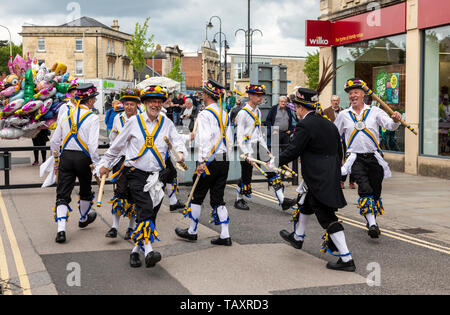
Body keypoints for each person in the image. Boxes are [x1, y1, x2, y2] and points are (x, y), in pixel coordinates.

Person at [98, 85, 186, 268]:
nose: (155, 104)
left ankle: (135, 252)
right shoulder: (133, 122)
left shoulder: (167, 123)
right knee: (145, 208)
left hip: (158, 177)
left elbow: (177, 141)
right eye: (152, 101)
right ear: (145, 103)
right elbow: (116, 147)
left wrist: (180, 153)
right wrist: (105, 165)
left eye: (158, 101)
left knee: (150, 215)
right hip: (135, 175)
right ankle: (150, 251)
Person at [278, 87, 355, 272]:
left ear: (301, 108)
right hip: (327, 174)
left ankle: (347, 258)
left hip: (318, 176)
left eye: (296, 107)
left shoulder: (305, 125)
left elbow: (294, 149)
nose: (296, 111)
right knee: (305, 204)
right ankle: (298, 237)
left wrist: (274, 161)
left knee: (326, 216)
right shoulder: (328, 123)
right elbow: (339, 150)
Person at [334, 78, 402, 239]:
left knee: (376, 190)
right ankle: (372, 224)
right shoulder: (344, 115)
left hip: (374, 157)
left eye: (356, 92)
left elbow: (389, 126)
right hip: (355, 158)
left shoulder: (375, 111)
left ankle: (371, 219)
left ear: (364, 94)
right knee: (364, 189)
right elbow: (334, 134)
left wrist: (396, 120)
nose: (353, 95)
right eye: (350, 93)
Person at [175, 79, 234, 246]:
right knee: (218, 198)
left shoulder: (204, 114)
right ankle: (225, 235)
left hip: (208, 161)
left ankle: (192, 231)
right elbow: (229, 137)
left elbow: (205, 139)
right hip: (223, 159)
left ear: (208, 95)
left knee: (197, 195)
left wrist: (201, 161)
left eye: (203, 93)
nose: (201, 95)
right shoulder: (224, 114)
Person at [50, 83, 100, 244]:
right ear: (90, 101)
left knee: (62, 193)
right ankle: (83, 218)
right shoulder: (92, 118)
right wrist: (97, 165)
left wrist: (56, 159)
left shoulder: (66, 115)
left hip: (66, 157)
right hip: (83, 159)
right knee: (85, 189)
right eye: (94, 99)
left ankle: (61, 231)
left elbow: (55, 141)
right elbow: (93, 146)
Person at [234, 84, 296, 211]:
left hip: (258, 145)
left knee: (272, 171)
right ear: (250, 96)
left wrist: (266, 149)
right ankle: (238, 199)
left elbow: (259, 133)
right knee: (246, 176)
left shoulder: (258, 111)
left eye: (261, 95)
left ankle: (283, 200)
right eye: (258, 95)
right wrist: (246, 154)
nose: (260, 98)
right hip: (247, 147)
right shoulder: (242, 113)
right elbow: (239, 137)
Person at [105, 88, 141, 240]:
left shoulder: (141, 119)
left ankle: (131, 227)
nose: (128, 107)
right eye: (126, 104)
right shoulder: (117, 118)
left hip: (136, 161)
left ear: (137, 106)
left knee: (133, 194)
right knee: (119, 193)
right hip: (120, 160)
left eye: (132, 104)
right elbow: (113, 139)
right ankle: (114, 227)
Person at [324, 95, 356, 189]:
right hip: (334, 139)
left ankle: (351, 182)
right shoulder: (326, 111)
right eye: (334, 100)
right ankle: (340, 180)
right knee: (338, 159)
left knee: (350, 158)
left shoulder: (344, 111)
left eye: (337, 100)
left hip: (346, 138)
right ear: (331, 101)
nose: (335, 102)